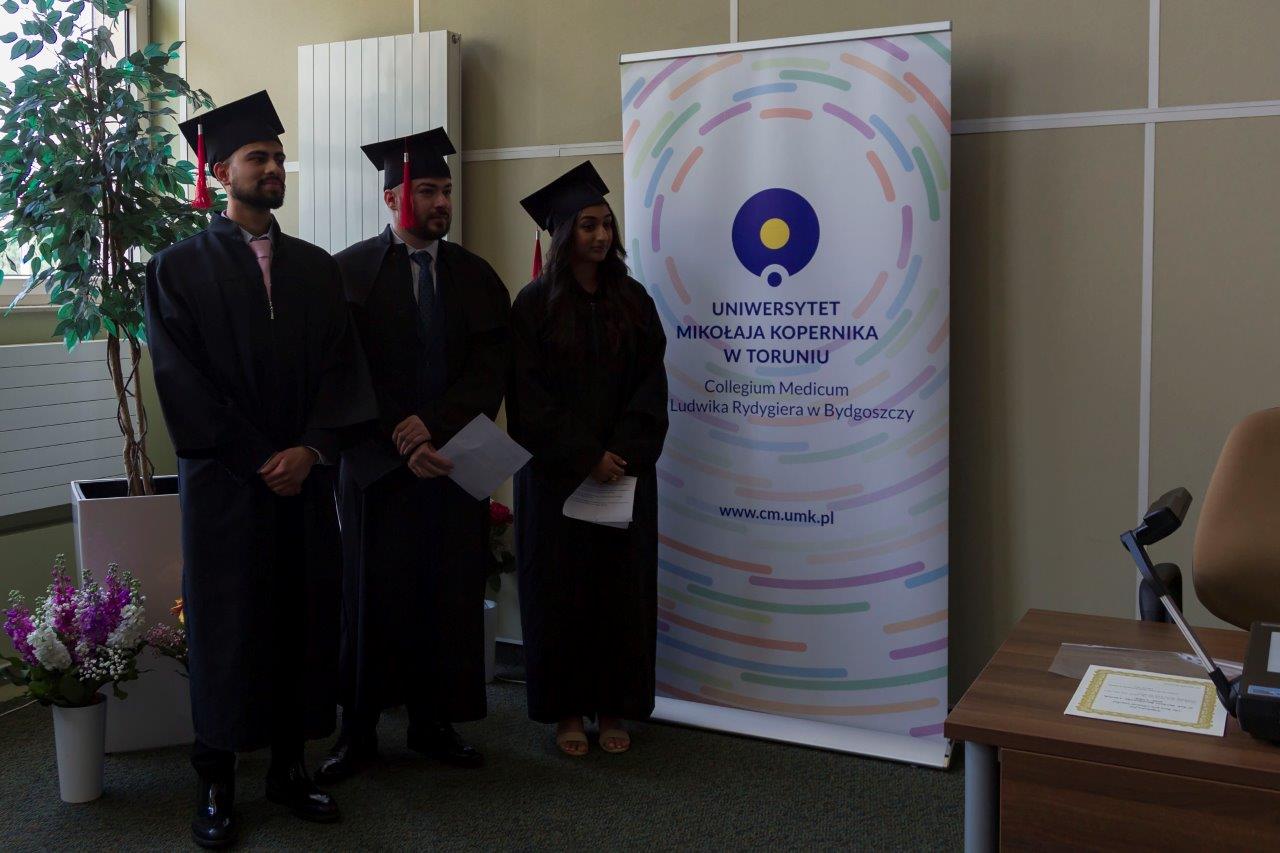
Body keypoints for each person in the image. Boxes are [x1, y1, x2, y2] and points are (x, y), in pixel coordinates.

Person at [145, 91, 375, 848]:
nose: (274, 167)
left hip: (303, 482)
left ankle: (289, 768)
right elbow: (180, 381)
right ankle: (215, 778)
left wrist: (310, 449)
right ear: (220, 171)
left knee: (302, 618)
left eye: (278, 157)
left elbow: (342, 371)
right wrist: (256, 458)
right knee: (227, 626)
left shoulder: (315, 268)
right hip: (227, 486)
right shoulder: (177, 269)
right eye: (258, 157)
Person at [316, 128, 511, 783]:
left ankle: (435, 722)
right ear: (392, 197)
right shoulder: (347, 272)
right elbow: (343, 371)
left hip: (452, 462)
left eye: (446, 190)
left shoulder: (475, 275)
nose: (441, 202)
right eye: (427, 190)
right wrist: (399, 437)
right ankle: (358, 730)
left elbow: (490, 368)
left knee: (446, 596)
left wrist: (434, 427)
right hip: (376, 467)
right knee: (370, 598)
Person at [508, 161, 669, 756]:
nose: (601, 236)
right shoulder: (533, 306)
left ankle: (615, 706)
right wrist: (584, 455)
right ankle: (568, 711)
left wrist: (619, 454)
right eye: (587, 226)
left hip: (624, 473)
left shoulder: (634, 300)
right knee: (562, 594)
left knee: (620, 593)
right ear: (562, 235)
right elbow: (527, 397)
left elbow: (651, 385)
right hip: (558, 479)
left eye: (606, 224)